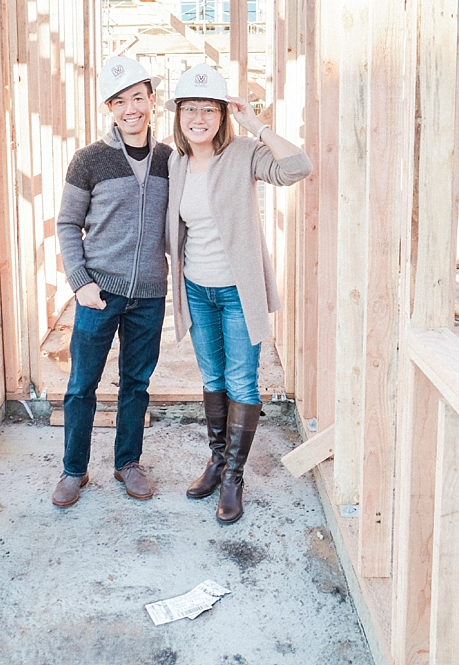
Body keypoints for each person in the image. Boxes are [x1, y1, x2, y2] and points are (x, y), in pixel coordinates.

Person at [165, 63, 312, 524]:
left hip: (235, 292)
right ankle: (215, 461)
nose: (199, 118)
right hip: (196, 289)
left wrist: (257, 123)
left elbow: (297, 167)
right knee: (212, 379)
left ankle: (234, 477)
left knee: (242, 381)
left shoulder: (245, 151)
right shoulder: (175, 161)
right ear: (179, 115)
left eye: (209, 109)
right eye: (191, 109)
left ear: (222, 115)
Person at [53, 56, 171, 508]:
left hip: (148, 295)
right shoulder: (90, 160)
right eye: (120, 101)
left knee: (135, 384)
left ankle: (128, 463)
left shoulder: (168, 159)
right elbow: (67, 223)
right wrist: (80, 282)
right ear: (109, 108)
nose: (130, 109)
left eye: (138, 98)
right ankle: (73, 470)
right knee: (82, 384)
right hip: (98, 292)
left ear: (151, 101)